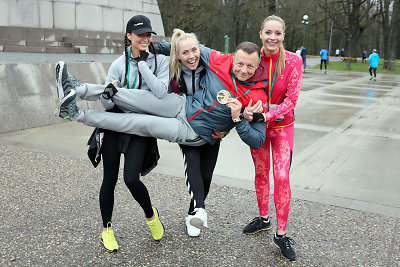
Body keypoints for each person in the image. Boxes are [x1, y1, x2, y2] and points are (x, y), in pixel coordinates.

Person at [55, 41, 269, 234]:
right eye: (239, 63)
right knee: (138, 97)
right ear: (233, 58)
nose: (243, 70)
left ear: (258, 65)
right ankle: (78, 88)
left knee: (140, 123)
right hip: (183, 104)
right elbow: (182, 45)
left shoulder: (258, 97)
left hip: (193, 132)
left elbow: (258, 141)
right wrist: (147, 45)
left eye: (250, 66)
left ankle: (77, 114)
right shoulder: (219, 60)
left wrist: (237, 119)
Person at [56, 15, 168, 253]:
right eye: (140, 35)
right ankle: (106, 230)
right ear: (129, 36)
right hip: (115, 122)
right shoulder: (118, 63)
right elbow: (108, 105)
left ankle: (151, 216)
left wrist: (143, 65)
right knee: (109, 179)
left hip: (140, 126)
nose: (145, 39)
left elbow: (159, 93)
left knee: (131, 179)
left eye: (149, 35)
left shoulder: (160, 62)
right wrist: (107, 96)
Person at [241, 15, 302, 262]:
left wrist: (265, 114)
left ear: (283, 36)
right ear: (261, 34)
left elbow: (292, 101)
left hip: (282, 127)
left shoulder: (294, 61)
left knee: (282, 177)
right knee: (260, 173)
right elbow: (240, 83)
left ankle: (281, 233)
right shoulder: (255, 59)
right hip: (258, 129)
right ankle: (265, 219)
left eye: (277, 33)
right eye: (268, 32)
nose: (272, 37)